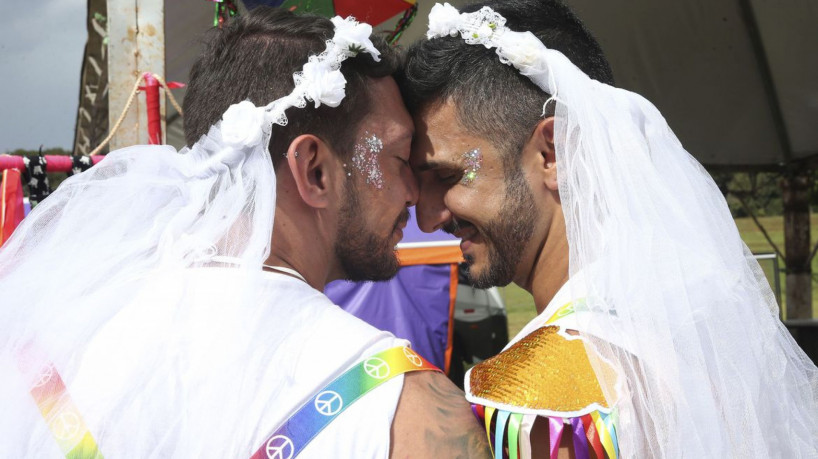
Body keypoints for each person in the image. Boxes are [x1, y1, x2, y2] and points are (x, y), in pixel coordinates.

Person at [0, 8, 490, 458]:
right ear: (315, 171)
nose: (414, 196)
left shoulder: (53, 353)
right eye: (400, 160)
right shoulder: (407, 414)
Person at [400, 1, 818, 457]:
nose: (426, 218)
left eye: (447, 176)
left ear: (552, 153)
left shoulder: (545, 389)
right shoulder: (705, 331)